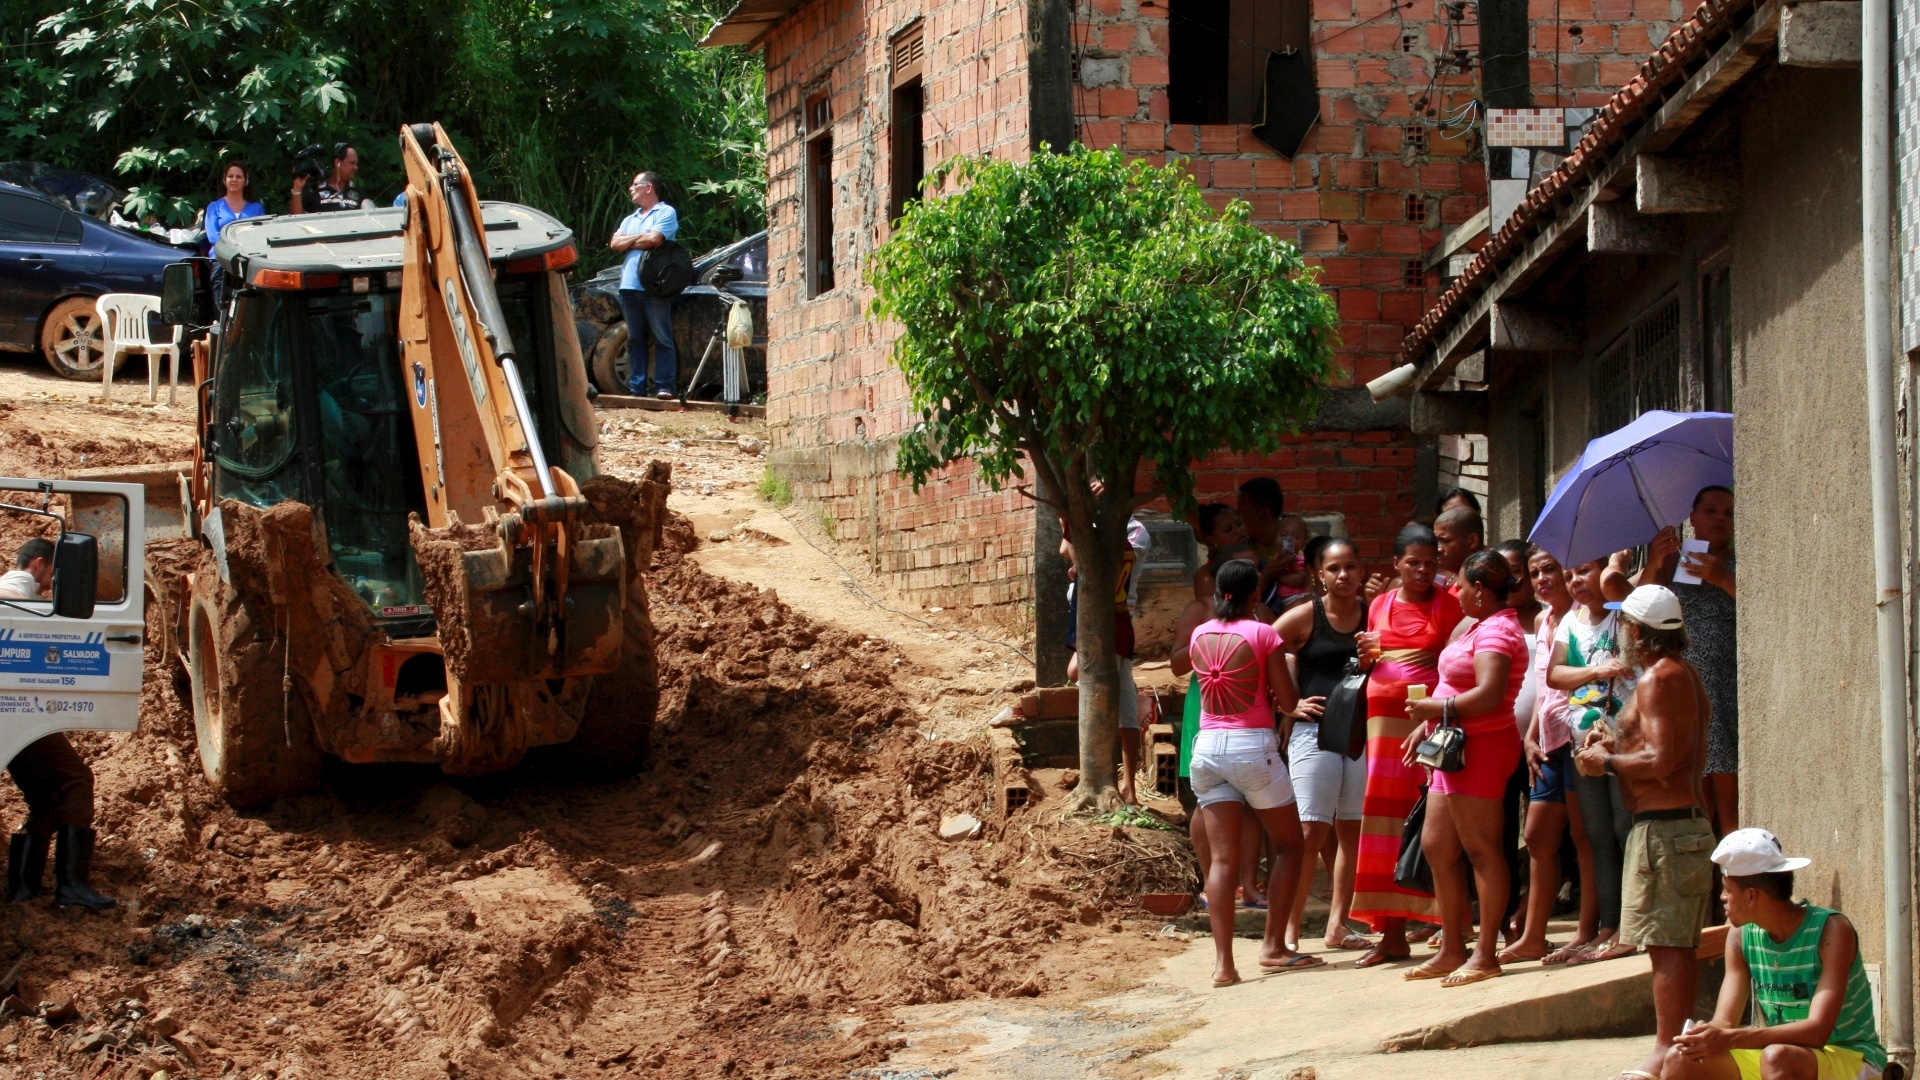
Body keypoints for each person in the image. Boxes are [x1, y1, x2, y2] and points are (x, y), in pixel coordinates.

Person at [1576, 585, 1711, 1080]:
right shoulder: (1679, 675)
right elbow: (1662, 746)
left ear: (1637, 630)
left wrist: (1606, 760)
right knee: (1674, 943)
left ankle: (1663, 1051)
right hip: (1674, 828)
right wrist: (1614, 736)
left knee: (1666, 944)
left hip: (1666, 832)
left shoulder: (1659, 679)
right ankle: (1676, 1047)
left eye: (1624, 626)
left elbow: (1662, 760)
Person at [1187, 559, 1321, 986]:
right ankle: (1274, 947)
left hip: (1206, 749)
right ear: (1254, 596)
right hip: (1251, 747)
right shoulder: (1264, 633)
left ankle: (1224, 965)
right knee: (1289, 847)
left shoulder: (1200, 634)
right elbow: (1286, 698)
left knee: (1221, 860)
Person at [1662, 828, 1886, 1080]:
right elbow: (1725, 1022)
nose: (1722, 897)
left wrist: (1731, 1038)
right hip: (1780, 1056)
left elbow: (1818, 1032)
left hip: (1851, 1058)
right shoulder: (1740, 936)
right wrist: (1706, 1035)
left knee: (1777, 1058)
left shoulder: (1832, 930)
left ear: (1751, 896)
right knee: (1679, 1059)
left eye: (1727, 889)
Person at [1401, 550, 1530, 986]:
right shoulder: (1474, 626)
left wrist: (1435, 708)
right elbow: (1452, 681)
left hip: (1483, 748)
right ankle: (1452, 945)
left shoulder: (1498, 632)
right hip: (1451, 747)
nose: (1454, 592)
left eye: (1459, 585)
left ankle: (1485, 952)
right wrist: (1428, 722)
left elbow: (1490, 694)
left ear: (1479, 589)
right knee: (1437, 844)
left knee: (1482, 849)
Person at [1349, 524, 1461, 967]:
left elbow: (1453, 664)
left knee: (1429, 820)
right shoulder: (1378, 603)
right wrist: (1365, 657)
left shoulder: (1449, 606)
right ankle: (1391, 935)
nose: (1422, 570)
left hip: (1428, 727)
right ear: (1396, 564)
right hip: (1383, 732)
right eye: (1413, 562)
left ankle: (1448, 930)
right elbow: (1373, 659)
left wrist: (1434, 714)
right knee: (1384, 822)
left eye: (1430, 563)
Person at [0, 539, 113, 911]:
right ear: (38, 564)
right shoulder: (17, 588)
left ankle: (23, 889)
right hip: (16, 708)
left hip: (17, 709)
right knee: (75, 780)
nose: (52, 580)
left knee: (47, 796)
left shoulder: (21, 589)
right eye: (51, 572)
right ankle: (72, 885)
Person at [1502, 547, 1602, 963]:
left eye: (1550, 570)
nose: (1542, 579)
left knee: (1583, 836)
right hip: (1546, 741)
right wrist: (1529, 737)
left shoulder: (1583, 616)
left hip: (1579, 739)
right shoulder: (1544, 621)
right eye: (1534, 572)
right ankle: (1532, 936)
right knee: (1538, 835)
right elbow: (1543, 691)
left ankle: (1585, 930)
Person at [1277, 537, 1371, 952]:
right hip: (1314, 733)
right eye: (1334, 568)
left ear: (1361, 570)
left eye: (1350, 566)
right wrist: (1285, 704)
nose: (1343, 575)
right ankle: (1289, 930)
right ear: (1320, 575)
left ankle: (1338, 925)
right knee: (1310, 830)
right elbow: (1262, 648)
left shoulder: (1375, 615)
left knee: (1353, 832)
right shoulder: (1305, 616)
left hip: (1362, 734)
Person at [1548, 557, 1638, 965]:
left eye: (1584, 571)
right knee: (1598, 833)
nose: (1575, 581)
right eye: (1569, 576)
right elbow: (1556, 675)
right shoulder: (1569, 623)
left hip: (1624, 739)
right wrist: (1599, 670)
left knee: (1625, 826)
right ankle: (1608, 922)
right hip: (1584, 744)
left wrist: (1619, 568)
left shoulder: (1625, 615)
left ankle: (1631, 924)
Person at [1639, 486, 1738, 838]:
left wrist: (1722, 578)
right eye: (1710, 511)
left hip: (1724, 689)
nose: (1720, 518)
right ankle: (1705, 890)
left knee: (1729, 805)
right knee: (1696, 803)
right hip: (1684, 691)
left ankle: (1732, 888)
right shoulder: (1676, 562)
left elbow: (1761, 607)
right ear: (1692, 518)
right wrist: (1655, 561)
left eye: (1727, 512)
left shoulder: (1740, 562)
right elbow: (1643, 605)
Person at [1173, 595, 1266, 909]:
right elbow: (1176, 664)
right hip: (1210, 713)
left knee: (1252, 804)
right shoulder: (1199, 617)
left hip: (1251, 714)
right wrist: (1210, 636)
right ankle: (1213, 886)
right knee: (1208, 803)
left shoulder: (1262, 619)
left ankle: (1249, 887)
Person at [1062, 512, 1150, 802]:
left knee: (1095, 683)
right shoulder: (1093, 523)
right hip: (1091, 619)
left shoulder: (1134, 532)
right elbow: (1066, 550)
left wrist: (1073, 522)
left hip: (1112, 621)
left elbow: (1100, 566)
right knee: (1110, 694)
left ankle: (1124, 782)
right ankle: (1112, 779)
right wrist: (1073, 521)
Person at [609, 171, 681, 400]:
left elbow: (654, 240)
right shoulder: (631, 219)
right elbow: (614, 244)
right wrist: (639, 238)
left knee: (662, 336)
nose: (631, 189)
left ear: (648, 187)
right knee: (635, 338)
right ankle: (637, 388)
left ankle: (665, 386)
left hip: (654, 285)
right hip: (628, 285)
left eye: (635, 185)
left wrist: (628, 241)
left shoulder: (666, 212)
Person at [204, 161, 264, 308]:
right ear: (225, 180)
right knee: (221, 304)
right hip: (221, 260)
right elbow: (212, 237)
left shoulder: (256, 208)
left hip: (249, 260)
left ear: (246, 181)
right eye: (230, 176)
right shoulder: (214, 207)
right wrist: (236, 249)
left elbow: (260, 235)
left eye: (239, 176)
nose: (234, 179)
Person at [290, 143, 364, 214]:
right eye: (352, 163)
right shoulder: (315, 191)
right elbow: (296, 219)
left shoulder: (359, 194)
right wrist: (297, 189)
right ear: (337, 162)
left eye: (356, 164)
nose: (356, 167)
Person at [1432, 506, 1484, 594]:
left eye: (1446, 541)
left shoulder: (1484, 588)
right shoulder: (1451, 580)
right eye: (1436, 541)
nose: (1438, 549)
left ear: (1472, 541)